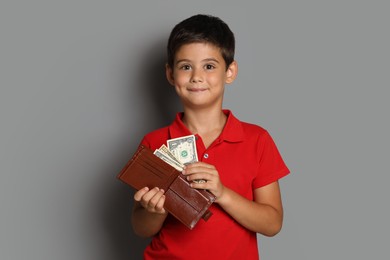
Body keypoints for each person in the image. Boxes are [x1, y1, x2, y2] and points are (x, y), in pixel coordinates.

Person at [131, 14, 290, 259]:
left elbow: (272, 223)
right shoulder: (154, 142)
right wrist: (156, 210)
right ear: (171, 74)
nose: (196, 76)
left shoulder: (257, 139)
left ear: (230, 71)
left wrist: (223, 193)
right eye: (185, 66)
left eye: (209, 66)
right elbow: (141, 228)